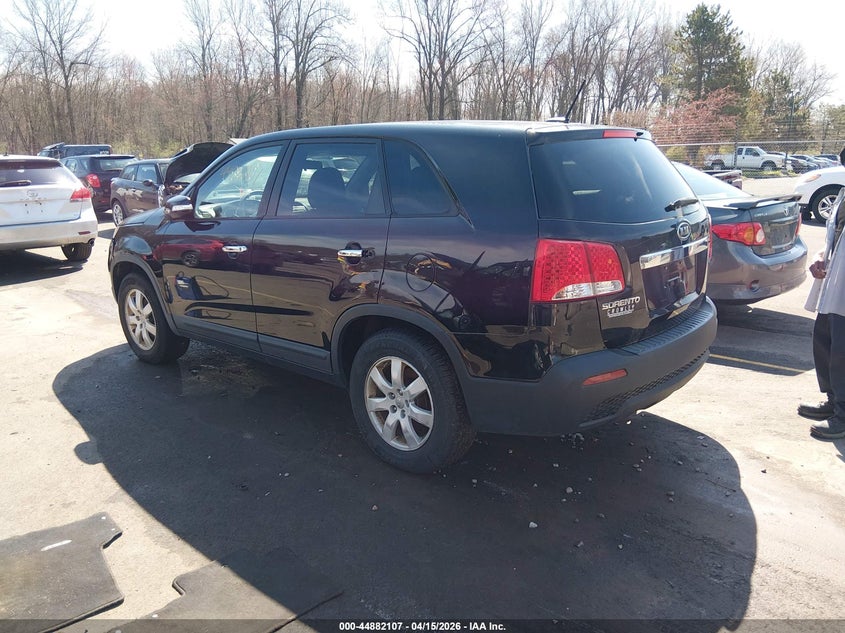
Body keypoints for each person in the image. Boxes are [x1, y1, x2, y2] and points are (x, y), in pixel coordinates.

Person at [799, 188, 845, 439]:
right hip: (835, 285)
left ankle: (843, 414)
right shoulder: (842, 194)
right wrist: (821, 256)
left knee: (842, 353)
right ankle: (834, 401)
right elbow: (835, 238)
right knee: (825, 343)